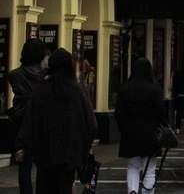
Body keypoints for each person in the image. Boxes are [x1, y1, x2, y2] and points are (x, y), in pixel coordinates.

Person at [16, 48, 97, 194]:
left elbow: (30, 122)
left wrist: (23, 145)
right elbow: (90, 124)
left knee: (45, 187)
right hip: (69, 154)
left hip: (45, 154)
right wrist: (84, 149)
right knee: (65, 187)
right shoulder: (77, 92)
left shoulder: (41, 91)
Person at [115, 58, 166, 194]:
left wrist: (123, 129)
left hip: (130, 134)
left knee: (133, 166)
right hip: (151, 134)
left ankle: (132, 191)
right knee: (149, 169)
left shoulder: (125, 88)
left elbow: (118, 113)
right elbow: (161, 112)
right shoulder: (155, 89)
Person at [8, 38, 47, 194]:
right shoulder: (45, 77)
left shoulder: (15, 75)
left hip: (22, 125)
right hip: (42, 125)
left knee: (24, 168)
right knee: (44, 166)